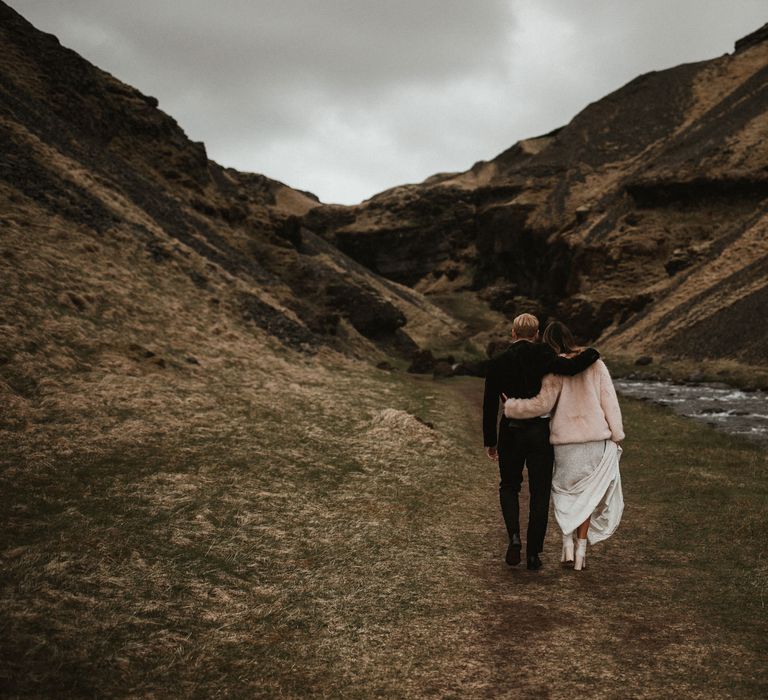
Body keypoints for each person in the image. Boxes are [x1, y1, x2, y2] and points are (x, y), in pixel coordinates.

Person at [503, 321, 624, 571]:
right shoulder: (595, 364)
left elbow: (542, 405)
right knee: (587, 496)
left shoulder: (552, 368)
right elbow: (609, 400)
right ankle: (580, 554)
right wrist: (616, 433)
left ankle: (567, 546)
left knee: (565, 494)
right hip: (594, 439)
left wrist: (512, 406)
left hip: (565, 442)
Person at [483, 313, 600, 571]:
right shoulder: (543, 355)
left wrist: (490, 441)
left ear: (513, 334)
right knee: (539, 492)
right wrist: (592, 352)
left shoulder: (498, 362)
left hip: (510, 432)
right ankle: (534, 554)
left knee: (509, 486)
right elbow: (571, 367)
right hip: (538, 432)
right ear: (536, 334)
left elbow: (490, 405)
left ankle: (514, 537)